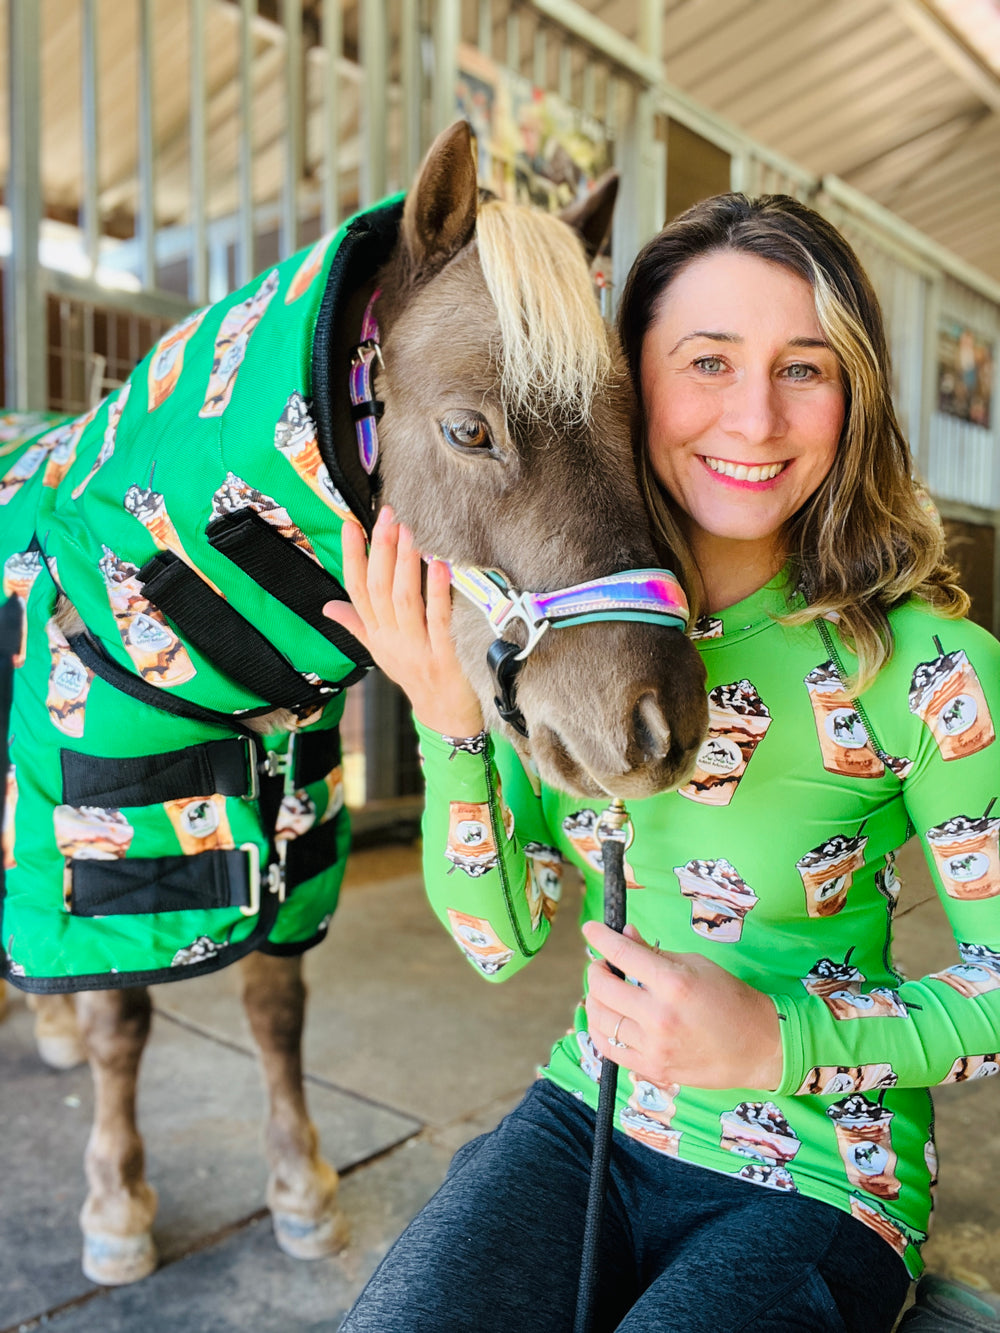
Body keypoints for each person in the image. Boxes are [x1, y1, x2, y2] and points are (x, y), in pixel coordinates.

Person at [329, 193, 1000, 1332]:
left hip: (824, 1177)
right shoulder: (570, 639)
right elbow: (503, 941)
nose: (753, 418)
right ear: (626, 382)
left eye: (805, 367)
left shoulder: (925, 664)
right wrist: (447, 723)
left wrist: (777, 1038)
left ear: (854, 396)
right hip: (585, 1113)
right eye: (706, 362)